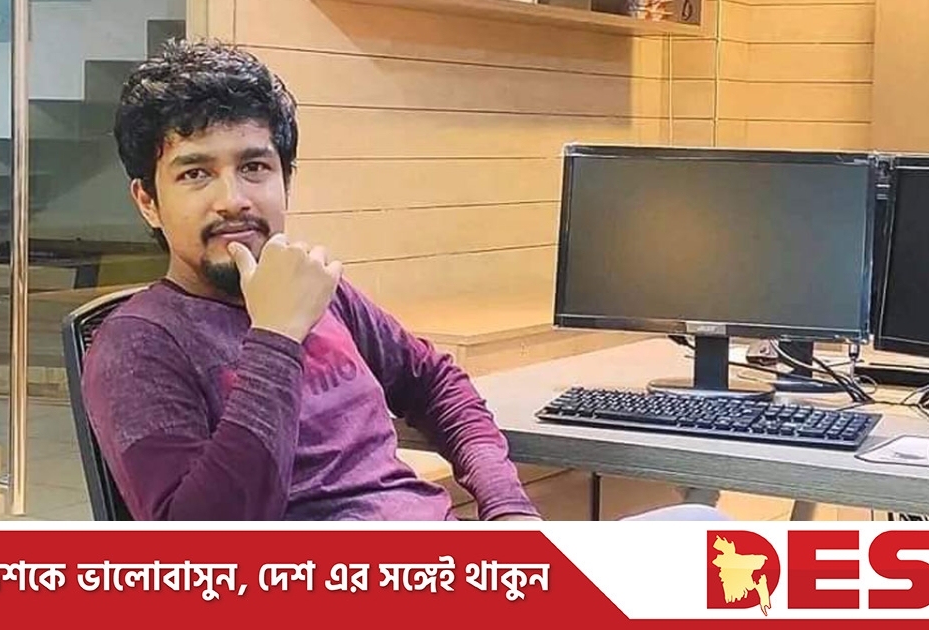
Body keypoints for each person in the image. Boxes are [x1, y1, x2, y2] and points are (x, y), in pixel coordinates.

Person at [85, 39, 727, 522]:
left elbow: (436, 382)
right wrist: (276, 338)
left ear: (285, 180)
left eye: (255, 167)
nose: (233, 199)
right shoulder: (138, 346)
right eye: (196, 173)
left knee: (700, 531)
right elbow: (203, 550)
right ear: (148, 201)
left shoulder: (319, 290)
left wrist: (508, 508)